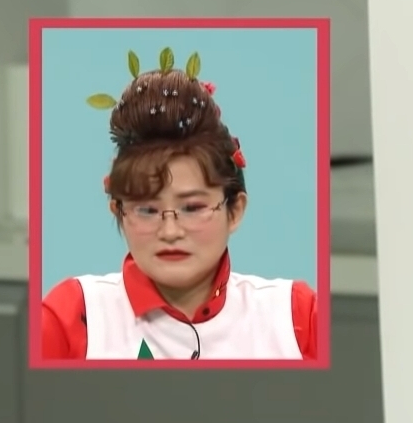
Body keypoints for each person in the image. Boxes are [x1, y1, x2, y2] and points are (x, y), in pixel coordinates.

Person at [38, 63, 317, 361]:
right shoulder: (72, 317)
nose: (170, 232)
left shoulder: (296, 316)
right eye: (147, 209)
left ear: (235, 210)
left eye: (193, 207)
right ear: (118, 212)